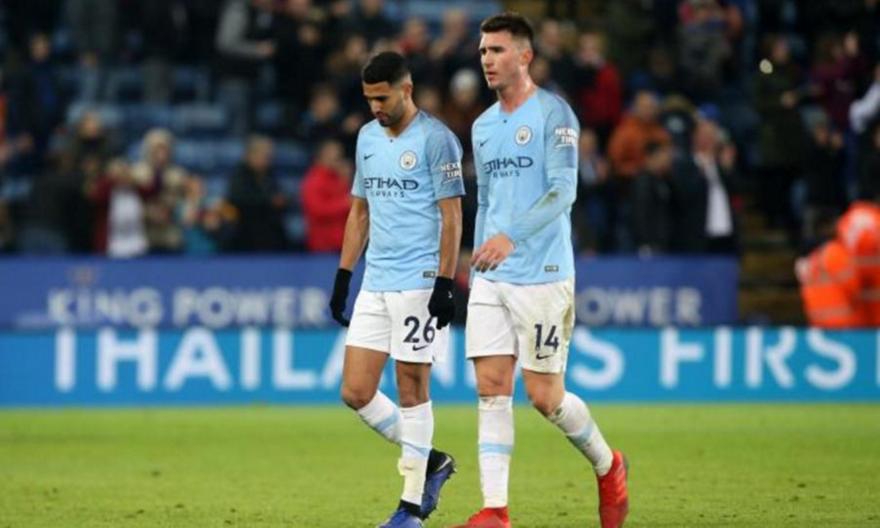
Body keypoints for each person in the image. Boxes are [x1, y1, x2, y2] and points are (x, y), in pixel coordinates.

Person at [454, 13, 629, 528]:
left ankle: (609, 464)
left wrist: (511, 237)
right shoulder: (483, 126)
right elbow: (487, 200)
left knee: (544, 397)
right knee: (490, 385)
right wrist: (479, 255)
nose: (487, 60)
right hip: (493, 275)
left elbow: (564, 191)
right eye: (483, 51)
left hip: (544, 272)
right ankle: (495, 510)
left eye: (497, 50)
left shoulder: (555, 114)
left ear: (525, 56)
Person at [328, 51, 464, 528]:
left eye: (382, 98)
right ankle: (432, 461)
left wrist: (445, 282)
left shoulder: (437, 140)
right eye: (368, 99)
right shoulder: (367, 137)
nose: (374, 108)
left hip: (420, 281)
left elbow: (452, 216)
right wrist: (344, 275)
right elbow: (360, 210)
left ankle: (409, 509)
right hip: (377, 281)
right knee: (356, 390)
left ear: (406, 90)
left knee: (411, 386)